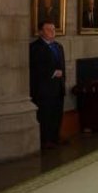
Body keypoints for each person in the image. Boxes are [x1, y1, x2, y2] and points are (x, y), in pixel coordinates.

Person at [29, 20, 66, 149]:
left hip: (58, 87)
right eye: (48, 29)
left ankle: (55, 137)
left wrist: (62, 80)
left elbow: (62, 66)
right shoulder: (35, 48)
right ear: (41, 32)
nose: (52, 32)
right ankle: (45, 140)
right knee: (45, 114)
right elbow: (35, 68)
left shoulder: (58, 46)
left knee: (57, 113)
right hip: (43, 89)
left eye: (53, 29)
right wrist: (53, 72)